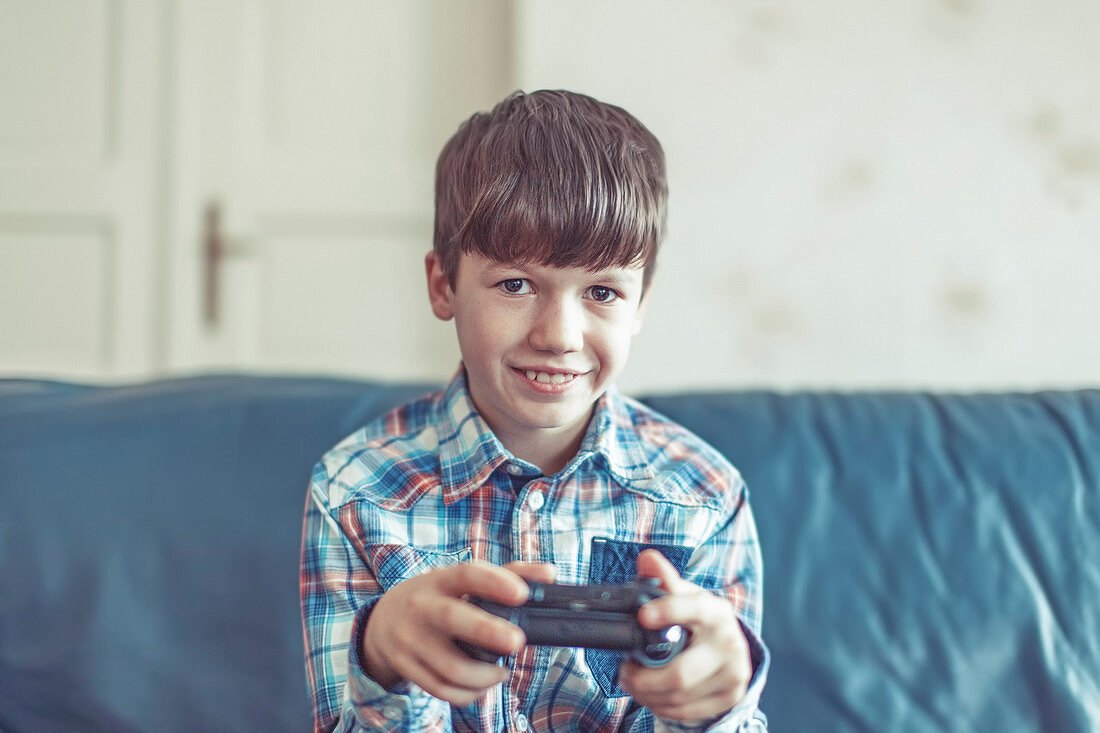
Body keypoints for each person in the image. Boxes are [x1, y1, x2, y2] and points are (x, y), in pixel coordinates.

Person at [300, 89, 769, 732]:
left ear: (640, 306)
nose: (559, 335)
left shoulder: (706, 499)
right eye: (516, 284)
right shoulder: (354, 492)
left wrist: (718, 705)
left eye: (602, 291)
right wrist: (379, 654)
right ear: (444, 285)